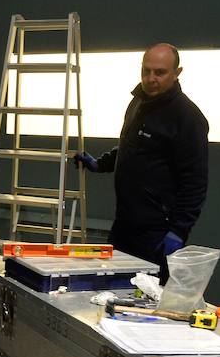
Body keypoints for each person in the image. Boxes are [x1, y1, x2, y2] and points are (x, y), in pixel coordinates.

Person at [74, 43, 208, 283]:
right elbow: (131, 147)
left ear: (177, 73)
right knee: (113, 286)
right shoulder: (138, 103)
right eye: (146, 71)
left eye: (160, 72)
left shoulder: (187, 118)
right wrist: (99, 164)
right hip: (125, 223)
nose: (151, 78)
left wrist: (178, 231)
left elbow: (195, 181)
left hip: (157, 231)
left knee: (147, 297)